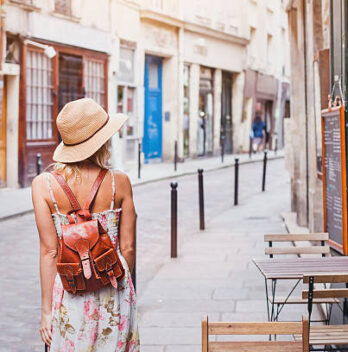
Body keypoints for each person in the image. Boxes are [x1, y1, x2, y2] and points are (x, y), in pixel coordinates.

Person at [32, 98, 140, 351]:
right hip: (114, 287)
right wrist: (114, 280)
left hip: (70, 290)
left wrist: (46, 311)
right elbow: (129, 247)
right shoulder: (119, 182)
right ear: (102, 140)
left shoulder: (43, 185)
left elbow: (49, 252)